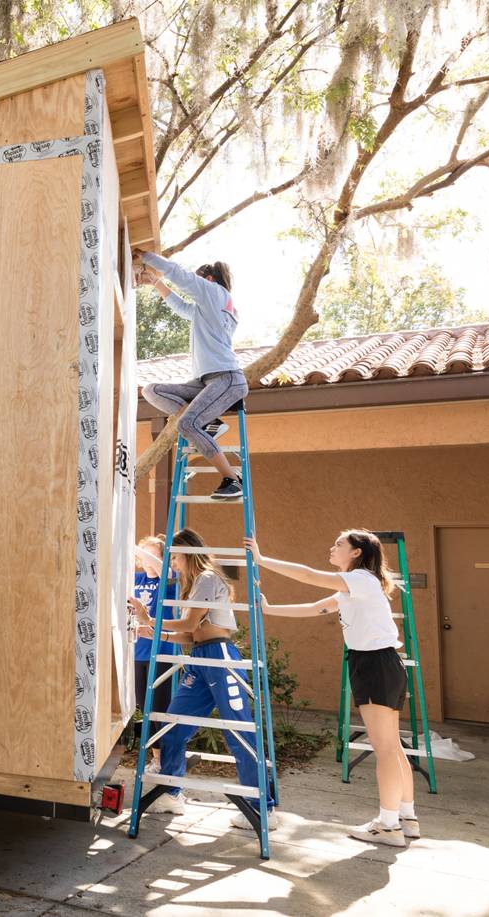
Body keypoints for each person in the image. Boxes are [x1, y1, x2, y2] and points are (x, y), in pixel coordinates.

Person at [245, 531, 417, 847]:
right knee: (392, 747)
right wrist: (269, 609)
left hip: (375, 665)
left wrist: (261, 558)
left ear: (356, 552)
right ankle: (406, 818)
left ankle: (388, 825)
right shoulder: (356, 585)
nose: (331, 547)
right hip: (381, 664)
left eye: (339, 544)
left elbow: (309, 576)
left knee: (384, 749)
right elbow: (316, 608)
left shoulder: (362, 580)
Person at [127, 528, 278, 829]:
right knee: (172, 726)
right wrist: (154, 631)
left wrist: (150, 621)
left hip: (219, 658)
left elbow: (191, 622)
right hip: (198, 659)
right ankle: (171, 794)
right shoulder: (192, 583)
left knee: (238, 730)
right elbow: (187, 633)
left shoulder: (207, 577)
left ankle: (263, 808)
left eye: (175, 556)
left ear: (186, 553)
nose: (173, 563)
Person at [132, 250, 246, 501]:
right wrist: (155, 282)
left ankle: (233, 480)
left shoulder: (214, 292)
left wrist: (146, 256)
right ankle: (208, 424)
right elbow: (181, 307)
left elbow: (179, 276)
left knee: (186, 424)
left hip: (227, 379)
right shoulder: (212, 306)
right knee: (152, 390)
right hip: (205, 382)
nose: (196, 285)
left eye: (199, 280)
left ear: (209, 279)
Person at [132, 535, 180, 735]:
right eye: (145, 557)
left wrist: (136, 548)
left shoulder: (170, 580)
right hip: (137, 651)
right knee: (145, 709)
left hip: (162, 651)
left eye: (154, 556)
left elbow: (166, 572)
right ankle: (157, 757)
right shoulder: (135, 578)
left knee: (161, 708)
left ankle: (164, 759)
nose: (148, 561)